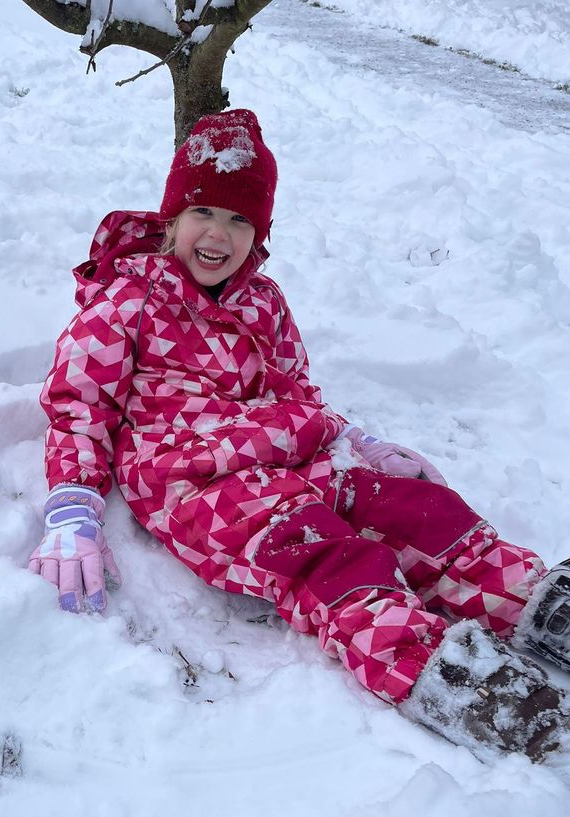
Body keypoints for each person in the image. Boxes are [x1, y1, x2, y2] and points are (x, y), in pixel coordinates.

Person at [28, 109, 570, 761]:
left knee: (420, 512)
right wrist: (73, 503)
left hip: (294, 456)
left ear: (260, 234)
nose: (217, 234)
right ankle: (457, 682)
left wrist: (359, 442)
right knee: (332, 557)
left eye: (239, 220)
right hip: (199, 485)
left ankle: (541, 605)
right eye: (203, 212)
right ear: (170, 218)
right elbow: (79, 403)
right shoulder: (126, 300)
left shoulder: (265, 301)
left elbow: (294, 389)